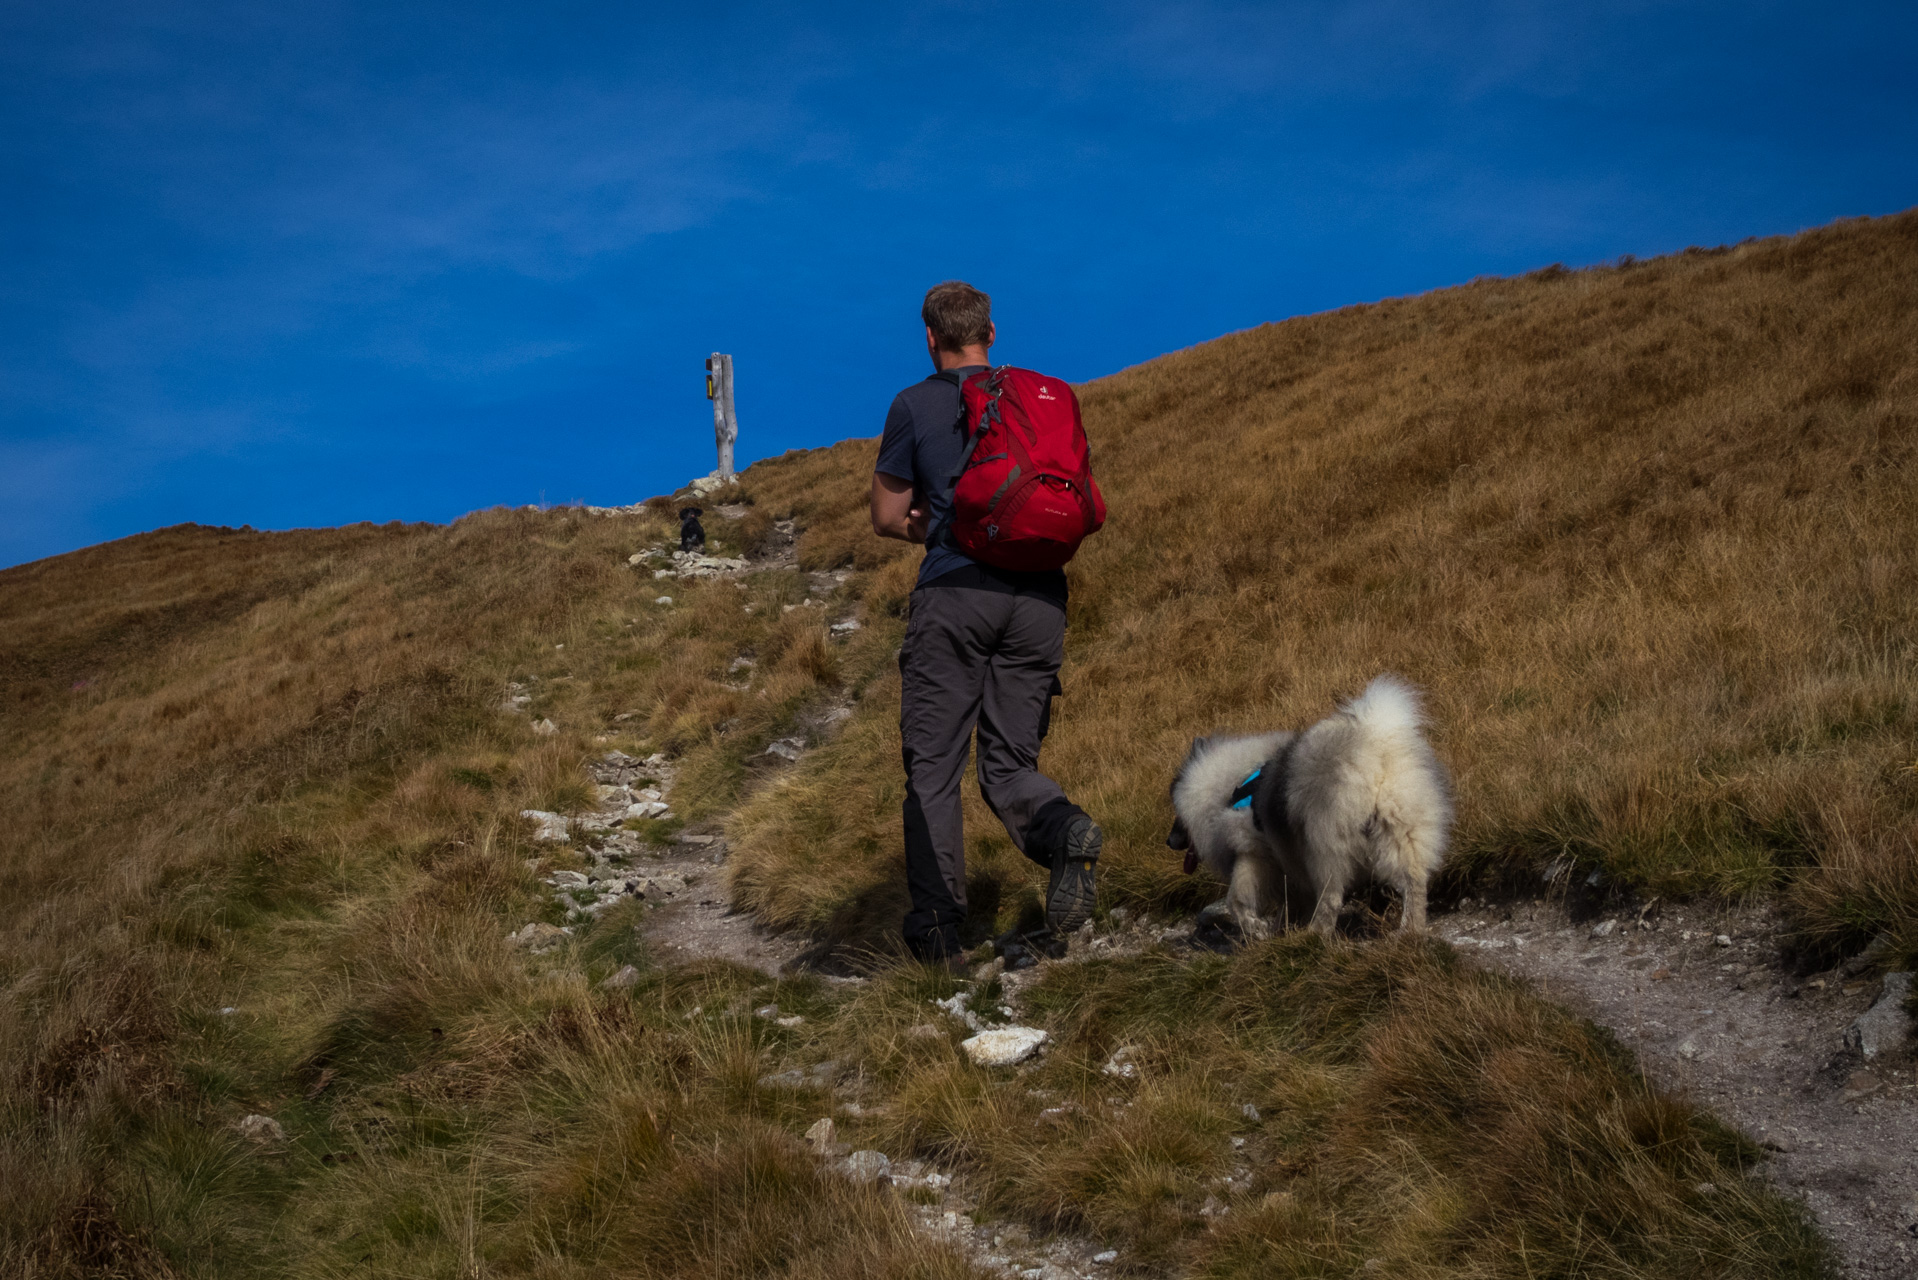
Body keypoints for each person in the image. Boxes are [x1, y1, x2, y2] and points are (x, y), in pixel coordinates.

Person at [871, 280, 1102, 968]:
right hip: (1038, 602)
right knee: (1007, 764)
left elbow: (886, 517)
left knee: (934, 767)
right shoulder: (1045, 399)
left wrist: (929, 527)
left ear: (931, 338)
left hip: (955, 597)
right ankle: (1063, 832)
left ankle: (939, 934)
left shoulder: (913, 405)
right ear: (991, 333)